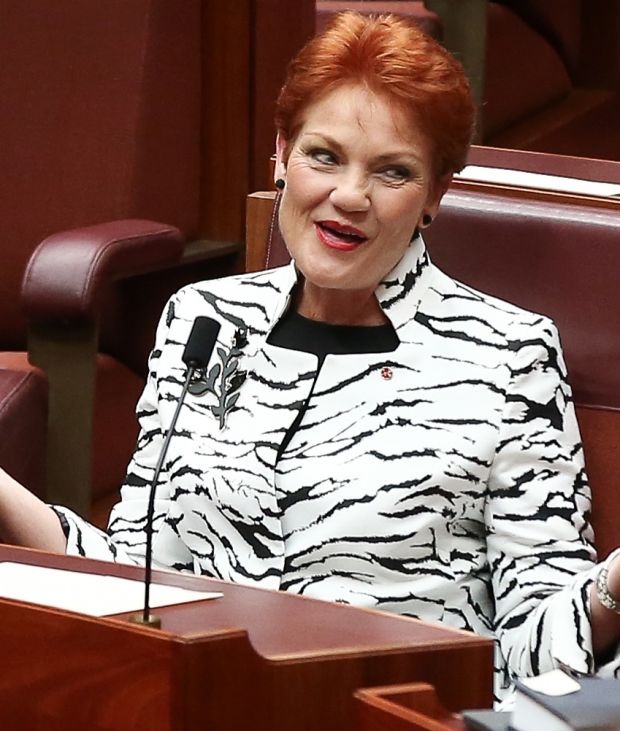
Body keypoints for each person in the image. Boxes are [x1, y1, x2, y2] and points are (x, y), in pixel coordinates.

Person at [1, 11, 619, 704]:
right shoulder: (205, 319)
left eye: (392, 171)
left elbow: (534, 652)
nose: (349, 196)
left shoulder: (508, 355)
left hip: (384, 713)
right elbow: (144, 577)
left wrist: (614, 586)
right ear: (281, 155)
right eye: (324, 155)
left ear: (434, 196)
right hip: (200, 703)